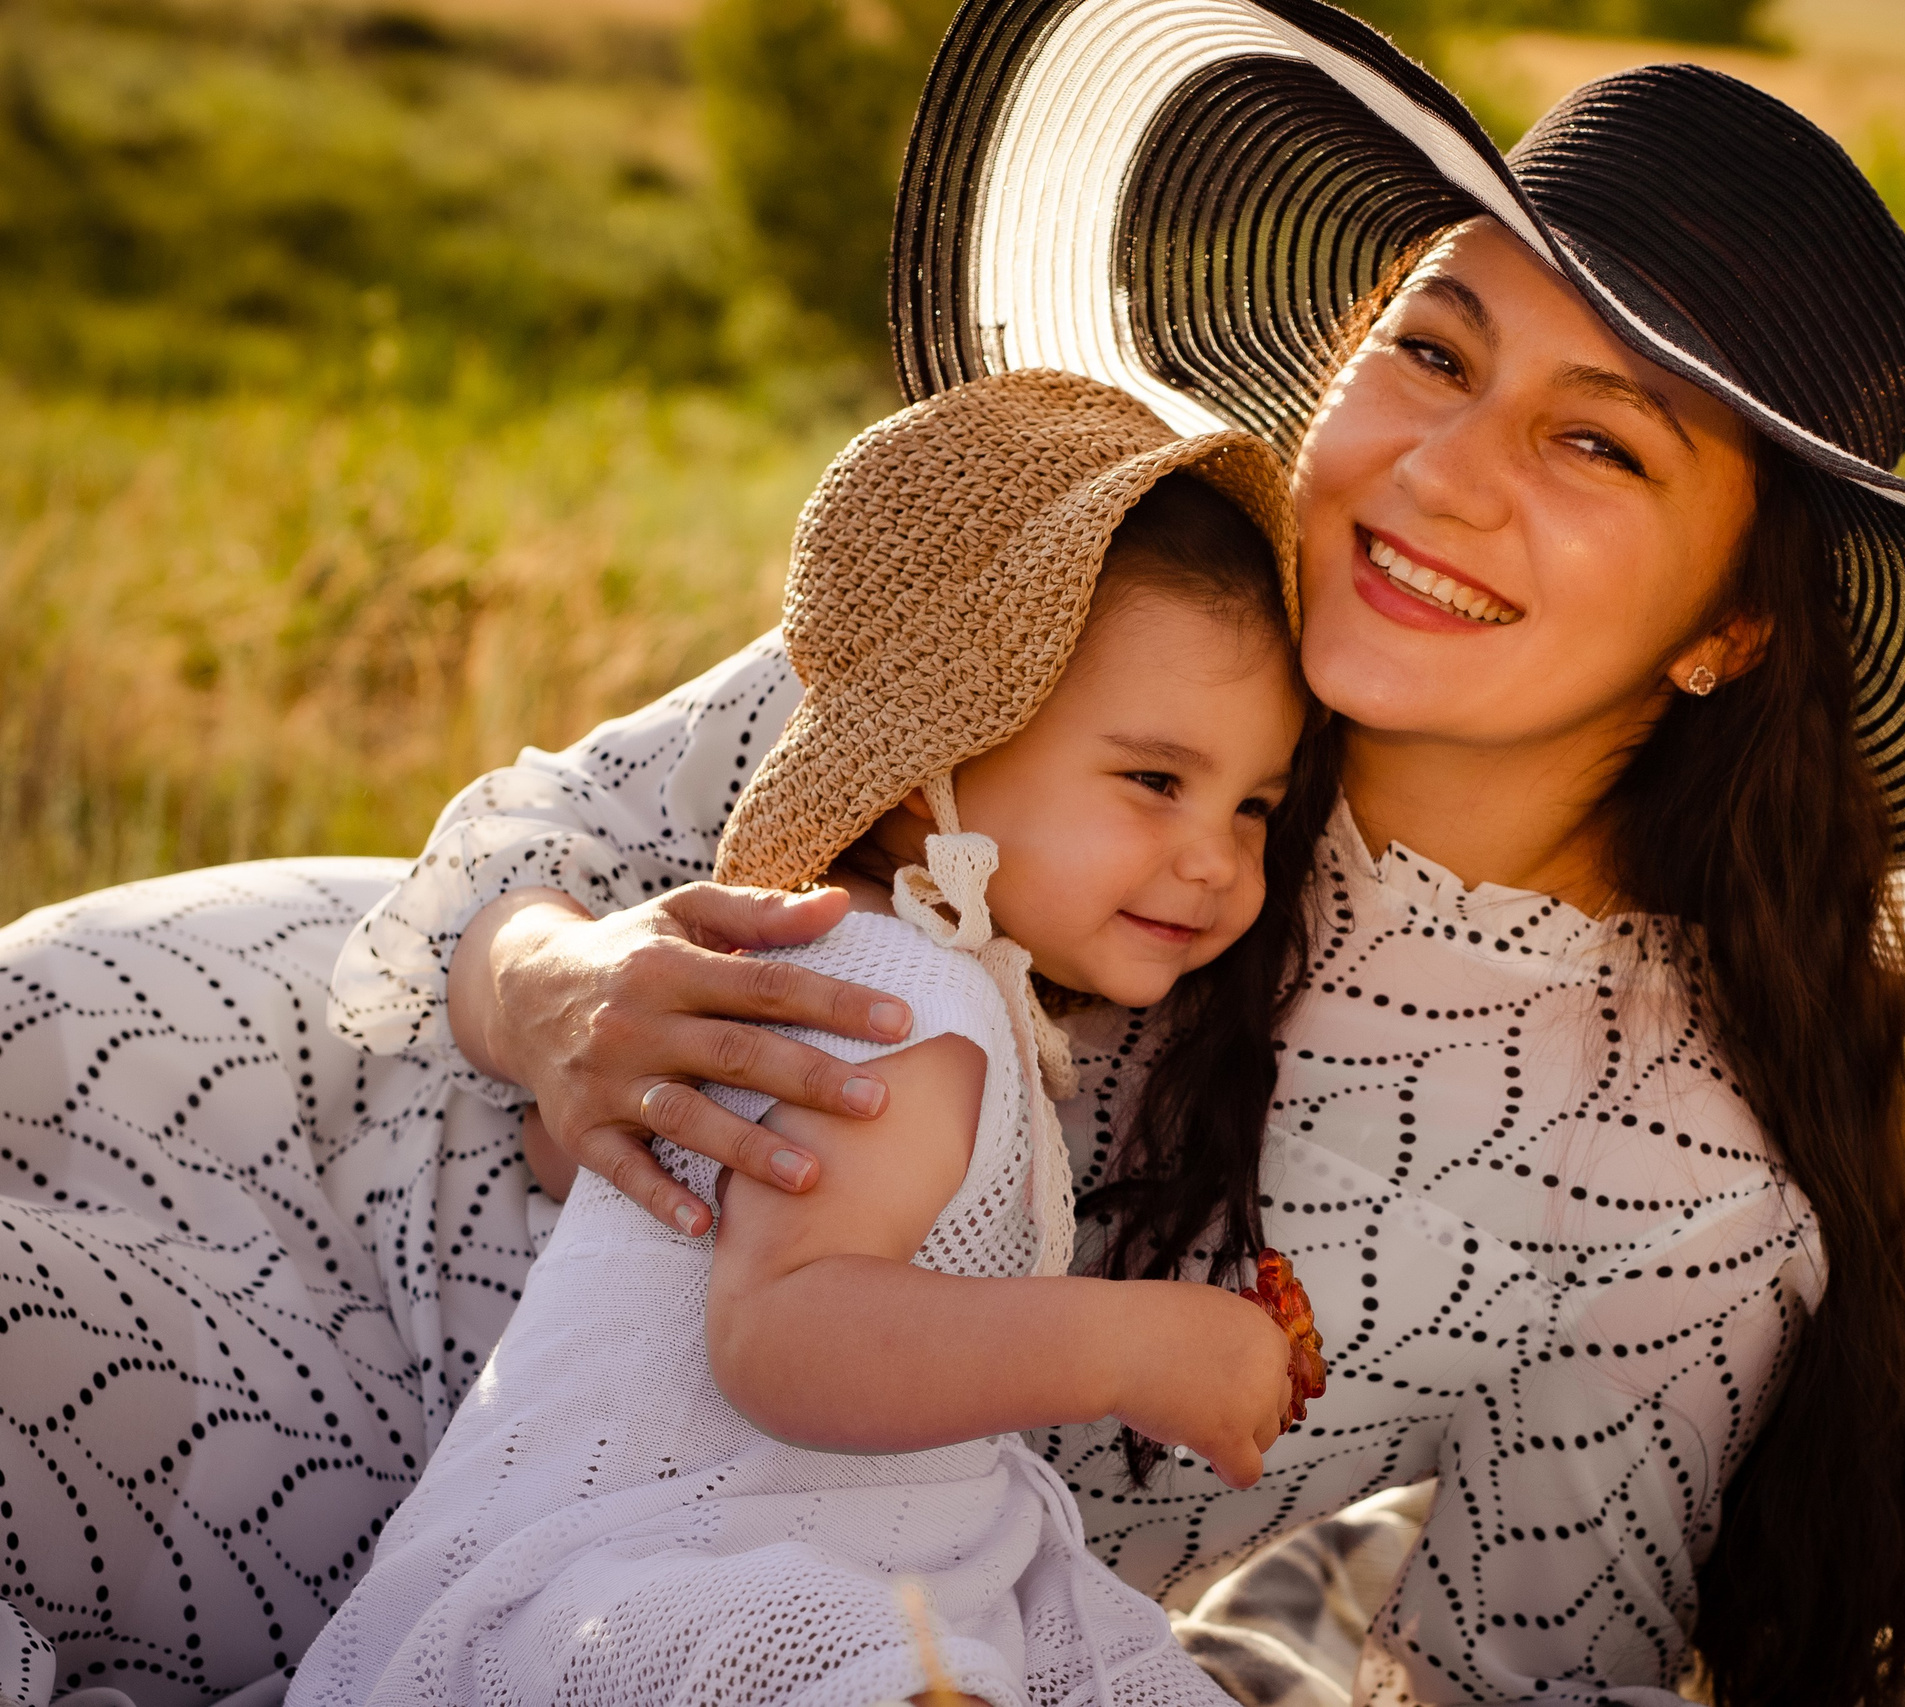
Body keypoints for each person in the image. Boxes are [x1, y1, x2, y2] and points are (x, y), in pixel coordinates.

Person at [15, 3, 1905, 1705]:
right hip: (249, 1132)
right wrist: (555, 984)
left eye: (1594, 441)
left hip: (614, 1583)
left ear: (1727, 625)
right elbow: (535, 843)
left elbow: (1521, 1674)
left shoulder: (1671, 1188)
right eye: (1429, 347)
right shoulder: (1098, 582)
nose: (1436, 470)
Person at [285, 368, 1318, 1707]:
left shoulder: (902, 976)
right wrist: (1128, 1346)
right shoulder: (900, 1004)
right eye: (1155, 781)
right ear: (935, 767)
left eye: (1253, 807)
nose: (1215, 860)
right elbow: (779, 1334)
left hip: (817, 1542)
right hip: (664, 1575)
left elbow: (610, 1191)